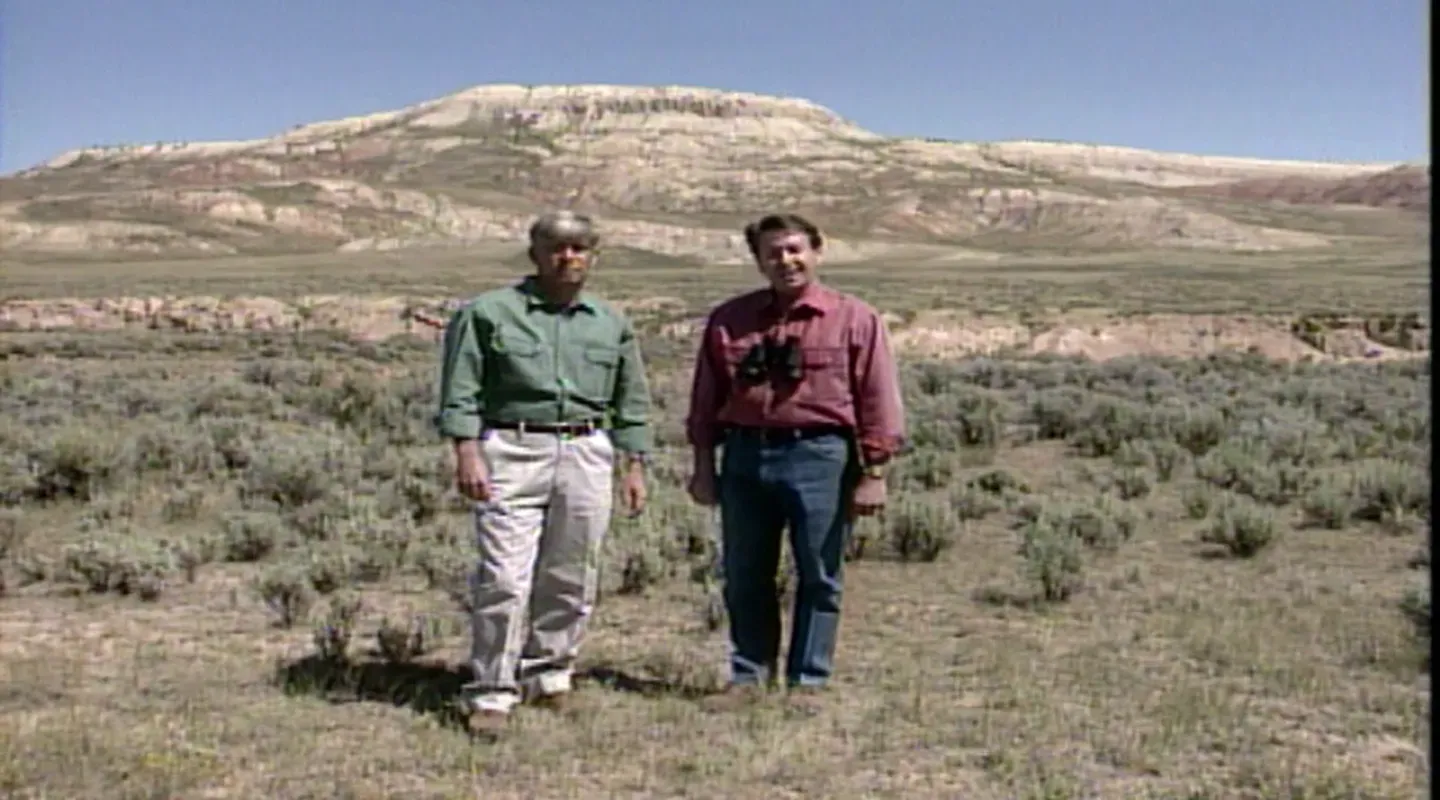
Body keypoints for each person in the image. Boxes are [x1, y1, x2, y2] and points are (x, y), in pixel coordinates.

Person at [433, 210, 652, 738]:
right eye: (556, 246)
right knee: (505, 578)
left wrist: (634, 464)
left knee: (572, 573)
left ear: (593, 256)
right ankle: (491, 691)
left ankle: (550, 675)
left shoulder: (610, 321)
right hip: (511, 447)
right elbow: (461, 387)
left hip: (586, 450)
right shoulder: (488, 313)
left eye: (579, 247)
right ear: (535, 253)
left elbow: (632, 398)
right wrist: (467, 451)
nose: (568, 256)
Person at [684, 212, 906, 712]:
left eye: (794, 249)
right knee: (745, 572)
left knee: (819, 572)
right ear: (758, 261)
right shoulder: (730, 320)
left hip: (821, 455)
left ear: (816, 252)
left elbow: (877, 398)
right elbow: (705, 398)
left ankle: (808, 680)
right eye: (773, 252)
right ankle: (749, 675)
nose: (785, 260)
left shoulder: (854, 318)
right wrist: (703, 465)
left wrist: (873, 471)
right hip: (744, 455)